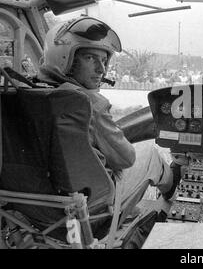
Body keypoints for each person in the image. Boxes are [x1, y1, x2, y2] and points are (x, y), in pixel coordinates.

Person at [37, 15, 185, 211]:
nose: (101, 69)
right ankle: (172, 185)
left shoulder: (25, 95)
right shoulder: (86, 103)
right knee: (149, 154)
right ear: (66, 58)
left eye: (104, 60)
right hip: (92, 208)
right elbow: (126, 159)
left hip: (38, 210)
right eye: (90, 58)